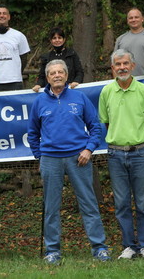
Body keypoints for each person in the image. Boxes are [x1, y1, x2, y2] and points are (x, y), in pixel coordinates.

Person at [28, 59, 110, 265]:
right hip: (51, 160)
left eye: (60, 72)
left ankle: (99, 248)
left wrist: (89, 149)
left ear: (66, 76)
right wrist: (41, 156)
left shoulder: (79, 97)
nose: (56, 75)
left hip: (78, 158)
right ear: (47, 78)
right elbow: (32, 133)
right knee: (51, 207)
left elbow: (95, 127)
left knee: (89, 204)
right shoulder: (39, 102)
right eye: (52, 73)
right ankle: (52, 251)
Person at [98, 49, 144, 260]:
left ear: (132, 66)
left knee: (143, 202)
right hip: (115, 155)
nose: (122, 67)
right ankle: (128, 246)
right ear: (113, 68)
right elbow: (106, 123)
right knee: (122, 203)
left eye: (126, 63)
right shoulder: (106, 91)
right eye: (118, 64)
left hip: (140, 153)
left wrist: (138, 142)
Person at [0, 5, 30, 91]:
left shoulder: (19, 36)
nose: (1, 15)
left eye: (4, 13)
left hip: (15, 81)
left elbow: (24, 58)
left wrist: (16, 73)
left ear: (9, 17)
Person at [32, 27, 83, 92]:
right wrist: (38, 85)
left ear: (64, 39)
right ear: (50, 40)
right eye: (54, 38)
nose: (57, 40)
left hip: (70, 90)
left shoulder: (72, 54)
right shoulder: (46, 57)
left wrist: (76, 81)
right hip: (52, 92)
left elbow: (79, 72)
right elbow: (42, 76)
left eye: (59, 38)